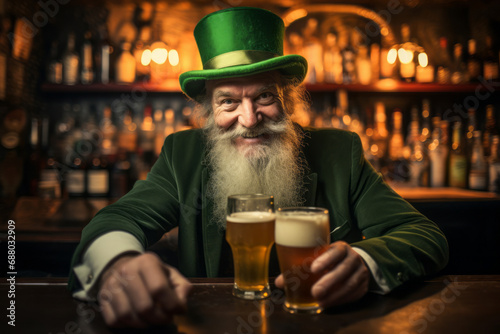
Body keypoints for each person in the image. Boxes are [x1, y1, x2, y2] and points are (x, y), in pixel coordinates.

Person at [68, 7, 449, 328]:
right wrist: (118, 263)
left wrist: (366, 264)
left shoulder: (338, 151)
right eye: (228, 102)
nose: (249, 120)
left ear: (288, 99)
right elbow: (117, 221)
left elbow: (422, 235)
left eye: (264, 96)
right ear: (207, 111)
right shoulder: (181, 153)